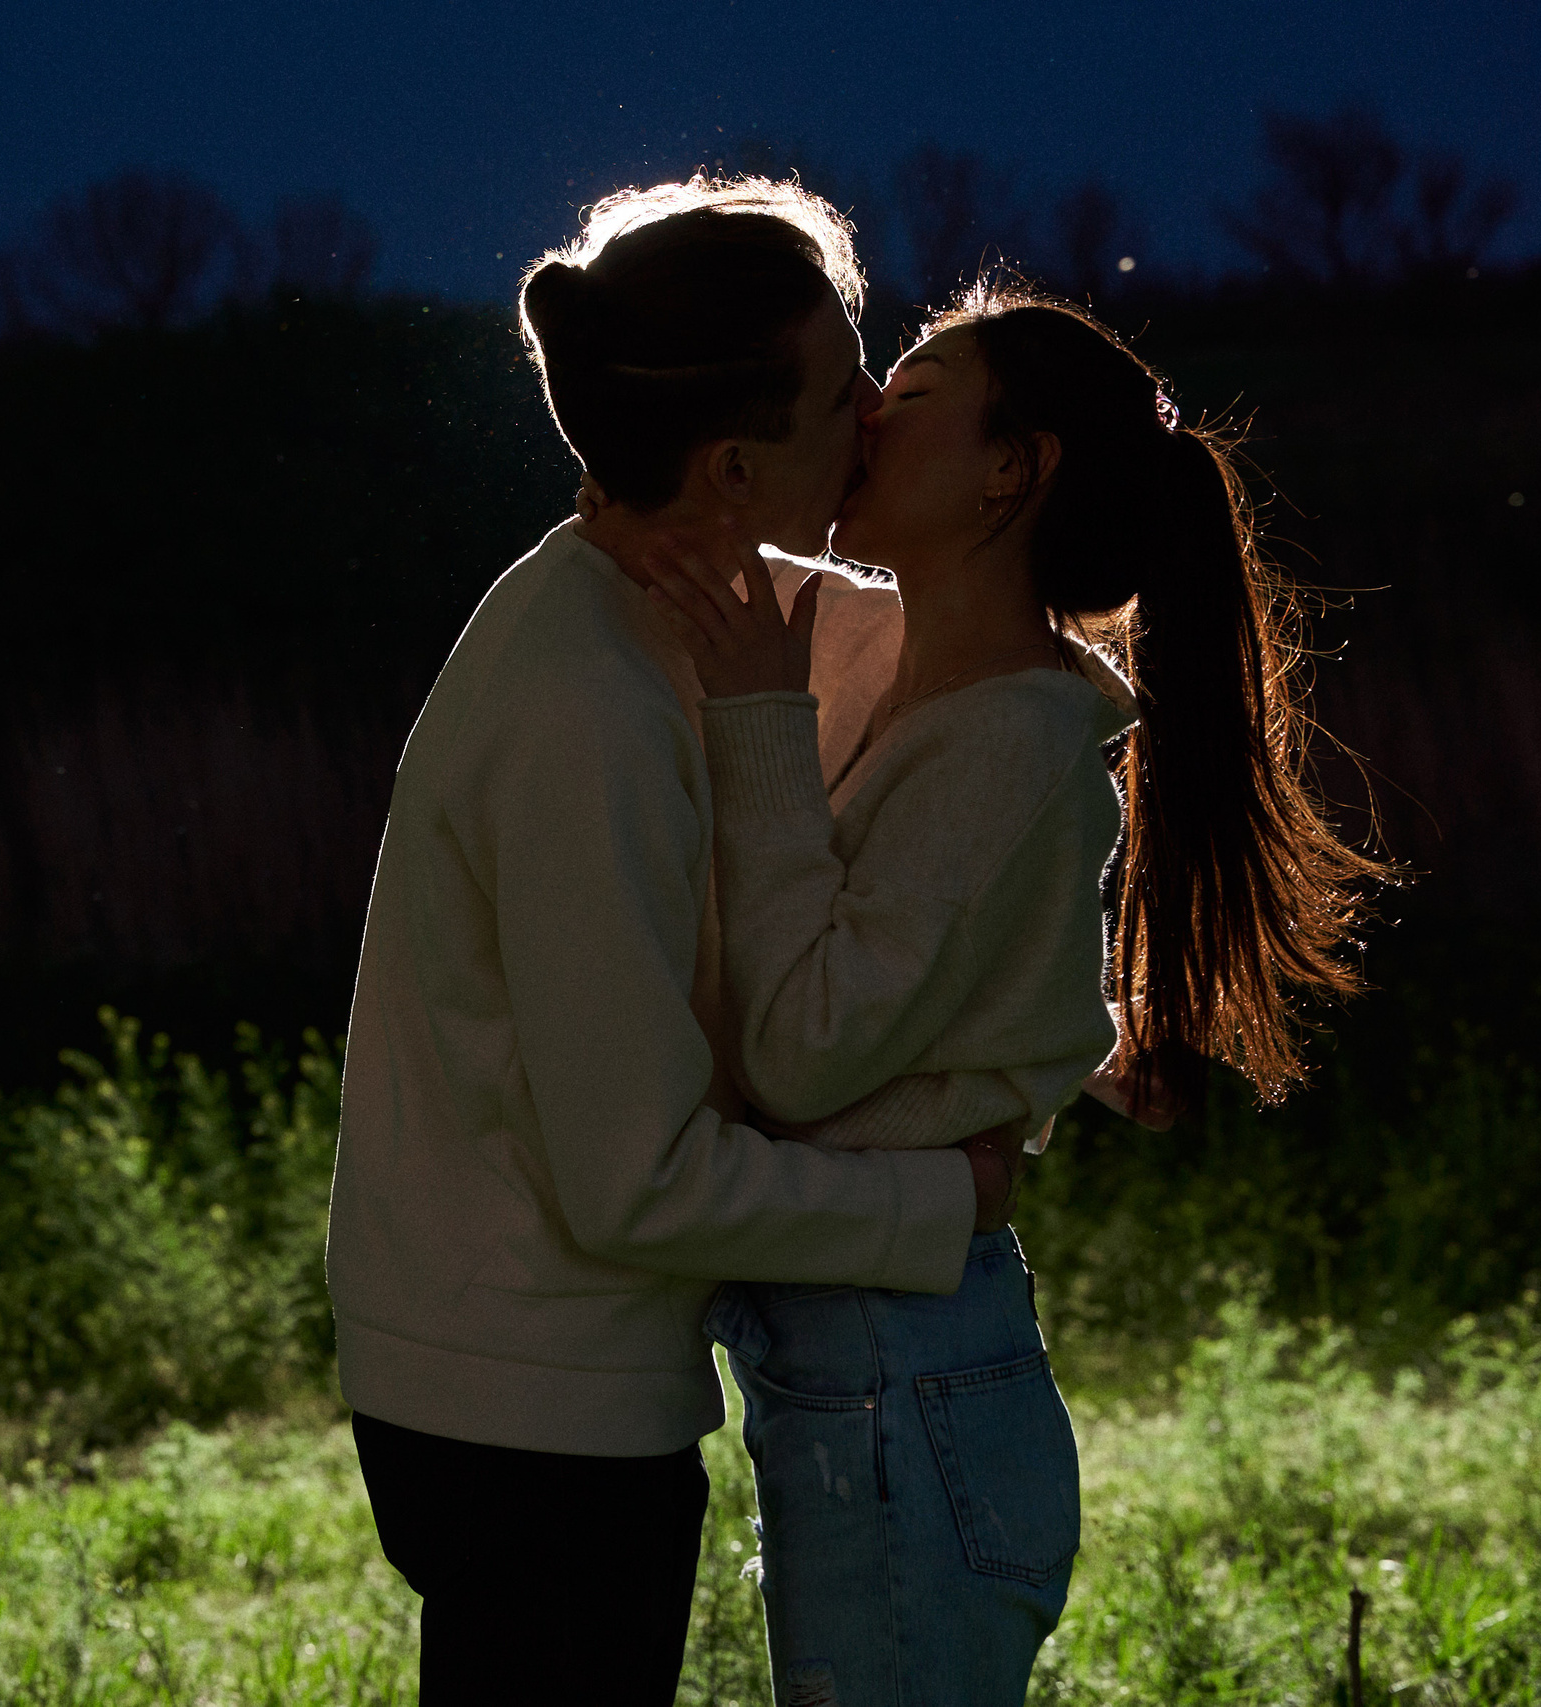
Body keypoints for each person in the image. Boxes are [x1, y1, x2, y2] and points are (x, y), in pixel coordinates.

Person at [323, 180, 1032, 1705]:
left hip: (519, 1376)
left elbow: (959, 681)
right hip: (527, 1413)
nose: (873, 418)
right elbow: (633, 1178)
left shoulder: (668, 605)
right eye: (846, 386)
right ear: (728, 464)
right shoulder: (592, 708)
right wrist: (934, 1206)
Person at [640, 282, 1396, 1705]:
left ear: (1014, 467)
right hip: (882, 1375)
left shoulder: (1010, 737)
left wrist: (755, 722)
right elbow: (954, 955)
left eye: (910, 400)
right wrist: (1073, 1052)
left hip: (901, 1385)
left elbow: (806, 1050)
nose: (866, 417)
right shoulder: (956, 685)